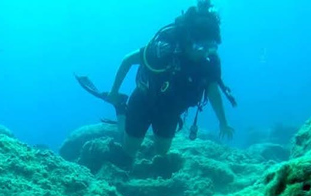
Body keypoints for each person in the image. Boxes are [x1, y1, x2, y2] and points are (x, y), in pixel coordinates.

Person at [76, 0, 236, 163]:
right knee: (129, 150)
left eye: (211, 47)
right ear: (189, 39)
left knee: (161, 154)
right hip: (145, 100)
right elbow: (128, 60)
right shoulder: (164, 49)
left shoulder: (209, 62)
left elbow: (213, 91)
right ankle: (121, 109)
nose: (205, 53)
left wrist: (223, 122)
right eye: (200, 47)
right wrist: (114, 92)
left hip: (171, 110)